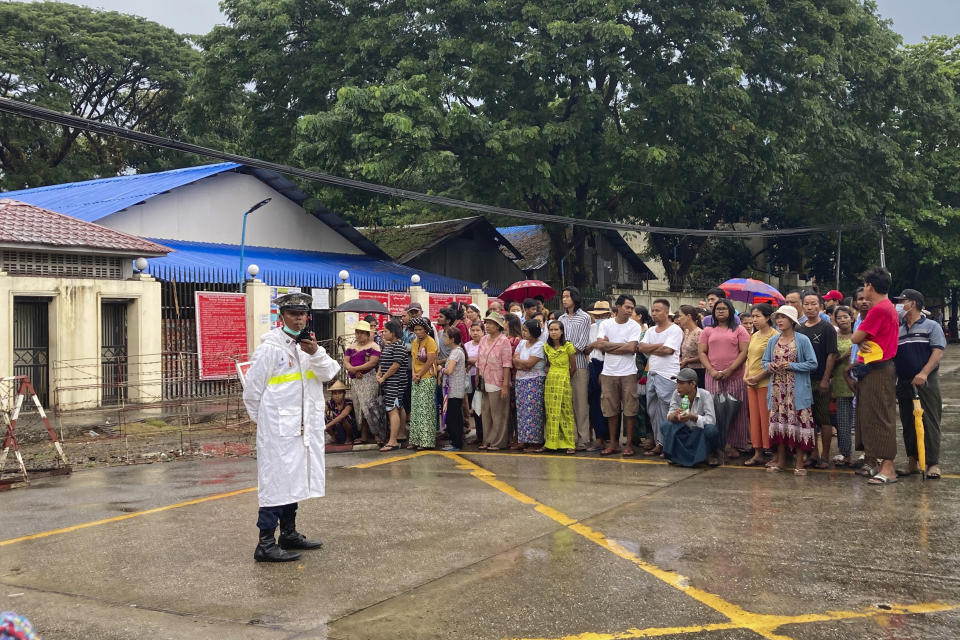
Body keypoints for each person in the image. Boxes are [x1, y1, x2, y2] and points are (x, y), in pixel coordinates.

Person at [242, 292, 339, 562]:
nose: (298, 318)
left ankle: (289, 533)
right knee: (275, 482)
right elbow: (252, 393)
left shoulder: (309, 347)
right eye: (293, 314)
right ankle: (265, 543)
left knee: (294, 480)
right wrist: (265, 425)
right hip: (277, 430)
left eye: (302, 314)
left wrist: (316, 352)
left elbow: (330, 373)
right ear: (281, 316)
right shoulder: (270, 349)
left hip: (302, 428)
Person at [851, 267, 900, 484]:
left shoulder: (879, 309)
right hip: (873, 368)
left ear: (870, 286)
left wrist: (859, 338)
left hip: (878, 369)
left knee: (881, 416)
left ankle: (888, 467)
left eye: (865, 285)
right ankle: (874, 461)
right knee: (869, 416)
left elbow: (855, 337)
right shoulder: (885, 307)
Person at [893, 289, 945, 479]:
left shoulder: (931, 326)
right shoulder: (898, 329)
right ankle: (913, 461)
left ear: (912, 303)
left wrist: (924, 373)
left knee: (929, 420)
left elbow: (937, 351)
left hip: (926, 380)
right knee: (908, 422)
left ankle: (932, 463)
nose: (899, 305)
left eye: (902, 301)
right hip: (904, 381)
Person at [763, 305, 818, 474]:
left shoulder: (802, 340)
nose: (779, 320)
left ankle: (799, 463)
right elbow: (764, 361)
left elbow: (812, 363)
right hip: (778, 390)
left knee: (799, 425)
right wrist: (769, 366)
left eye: (783, 317)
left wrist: (792, 366)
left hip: (797, 391)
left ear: (792, 321)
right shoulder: (773, 340)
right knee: (780, 425)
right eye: (778, 317)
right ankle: (780, 461)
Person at [589, 294, 644, 456]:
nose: (630, 311)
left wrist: (609, 345)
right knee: (611, 410)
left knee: (630, 410)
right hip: (608, 372)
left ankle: (628, 444)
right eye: (627, 307)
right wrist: (623, 346)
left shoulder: (634, 326)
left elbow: (632, 348)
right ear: (618, 307)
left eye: (632, 308)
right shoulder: (606, 324)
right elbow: (600, 345)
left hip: (628, 373)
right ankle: (613, 443)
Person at [698, 298, 750, 456]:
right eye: (718, 309)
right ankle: (717, 444)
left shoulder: (740, 330)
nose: (720, 311)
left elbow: (744, 352)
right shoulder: (707, 330)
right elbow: (702, 352)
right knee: (714, 410)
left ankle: (735, 445)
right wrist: (711, 370)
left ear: (731, 311)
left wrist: (730, 369)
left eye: (724, 308)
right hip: (712, 375)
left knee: (736, 410)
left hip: (735, 375)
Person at [637, 299, 683, 456]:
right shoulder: (650, 331)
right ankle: (659, 443)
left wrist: (652, 348)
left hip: (668, 375)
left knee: (667, 411)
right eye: (653, 310)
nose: (654, 313)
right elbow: (641, 347)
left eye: (657, 310)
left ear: (666, 312)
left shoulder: (675, 330)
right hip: (652, 374)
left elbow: (669, 350)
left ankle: (669, 445)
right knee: (653, 411)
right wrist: (659, 346)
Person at [797, 292, 838, 467]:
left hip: (820, 379)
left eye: (813, 304)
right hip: (803, 380)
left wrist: (825, 379)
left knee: (824, 419)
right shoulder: (799, 328)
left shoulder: (826, 328)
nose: (810, 307)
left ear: (820, 306)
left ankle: (825, 456)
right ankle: (813, 453)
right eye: (806, 304)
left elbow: (832, 354)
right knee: (808, 419)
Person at [660, 368, 721, 467]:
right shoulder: (676, 393)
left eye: (681, 383)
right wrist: (675, 415)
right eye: (677, 383)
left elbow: (711, 420)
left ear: (692, 384)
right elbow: (669, 415)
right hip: (685, 432)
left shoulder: (705, 395)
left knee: (711, 430)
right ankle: (677, 455)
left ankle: (709, 454)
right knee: (666, 425)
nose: (678, 387)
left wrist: (693, 417)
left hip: (699, 432)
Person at [558, 286, 593, 451]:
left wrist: (565, 353)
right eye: (563, 297)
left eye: (567, 296)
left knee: (580, 403)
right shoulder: (562, 318)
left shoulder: (585, 317)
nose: (564, 299)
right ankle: (569, 437)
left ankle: (583, 438)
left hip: (578, 365)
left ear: (574, 298)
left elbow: (582, 343)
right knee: (567, 403)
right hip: (563, 366)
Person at [743, 303, 777, 465]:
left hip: (766, 382)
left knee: (767, 418)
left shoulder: (774, 336)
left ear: (768, 317)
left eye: (758, 316)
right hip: (751, 382)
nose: (754, 320)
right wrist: (746, 375)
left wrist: (758, 377)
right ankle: (758, 451)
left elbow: (774, 363)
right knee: (754, 418)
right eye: (753, 316)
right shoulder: (754, 336)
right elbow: (749, 358)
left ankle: (773, 451)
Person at [343, 320, 386, 445]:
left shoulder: (374, 346)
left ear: (368, 334)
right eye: (358, 333)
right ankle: (364, 435)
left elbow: (372, 363)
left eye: (362, 333)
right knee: (359, 408)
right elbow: (346, 362)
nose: (359, 335)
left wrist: (356, 369)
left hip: (368, 379)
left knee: (370, 406)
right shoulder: (352, 347)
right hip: (356, 381)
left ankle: (378, 434)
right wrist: (352, 370)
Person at [477, 312, 513, 450]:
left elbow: (507, 364)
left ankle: (498, 441)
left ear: (498, 326)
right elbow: (479, 360)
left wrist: (505, 385)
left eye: (491, 323)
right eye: (486, 323)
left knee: (498, 412)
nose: (487, 326)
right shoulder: (484, 339)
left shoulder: (504, 341)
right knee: (486, 411)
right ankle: (487, 439)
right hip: (484, 379)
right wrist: (478, 377)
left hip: (498, 380)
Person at [377, 319, 411, 452]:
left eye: (385, 331)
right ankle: (400, 434)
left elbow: (396, 365)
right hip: (388, 381)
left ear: (393, 332)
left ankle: (393, 441)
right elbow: (383, 362)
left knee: (392, 409)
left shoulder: (399, 346)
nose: (383, 333)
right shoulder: (390, 345)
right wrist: (379, 373)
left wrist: (384, 377)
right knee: (398, 407)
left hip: (395, 382)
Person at [543, 319, 577, 453]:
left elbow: (573, 367)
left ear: (562, 331)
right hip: (551, 381)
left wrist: (565, 379)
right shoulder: (546, 347)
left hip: (564, 381)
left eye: (556, 329)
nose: (553, 332)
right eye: (551, 330)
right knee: (551, 413)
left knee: (566, 412)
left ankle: (569, 443)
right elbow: (548, 365)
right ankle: (551, 443)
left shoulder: (568, 346)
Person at [513, 320, 546, 451]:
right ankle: (524, 439)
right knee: (522, 411)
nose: (524, 332)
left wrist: (520, 362)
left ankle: (535, 441)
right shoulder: (521, 343)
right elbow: (514, 361)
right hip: (521, 380)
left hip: (534, 380)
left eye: (526, 330)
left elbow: (529, 364)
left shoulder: (539, 345)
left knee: (533, 411)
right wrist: (521, 363)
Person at [586, 300, 613, 451]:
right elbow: (589, 348)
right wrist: (596, 345)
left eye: (602, 315)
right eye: (597, 315)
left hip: (608, 364)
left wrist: (597, 345)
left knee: (609, 401)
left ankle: (610, 437)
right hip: (594, 363)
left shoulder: (611, 327)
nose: (599, 317)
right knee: (595, 400)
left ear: (608, 314)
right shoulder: (592, 327)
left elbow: (607, 348)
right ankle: (599, 437)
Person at [408, 317, 438, 450]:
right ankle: (415, 439)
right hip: (416, 377)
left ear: (426, 330)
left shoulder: (430, 342)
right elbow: (414, 359)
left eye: (420, 329)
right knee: (416, 409)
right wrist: (414, 373)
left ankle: (426, 441)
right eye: (416, 330)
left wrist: (420, 374)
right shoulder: (415, 342)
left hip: (427, 377)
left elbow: (430, 361)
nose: (418, 332)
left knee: (425, 409)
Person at [831, 305, 856, 466]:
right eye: (839, 317)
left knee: (861, 421)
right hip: (840, 383)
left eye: (845, 317)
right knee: (843, 421)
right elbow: (830, 360)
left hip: (858, 382)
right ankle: (844, 452)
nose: (842, 320)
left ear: (852, 318)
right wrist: (844, 356)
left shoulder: (858, 336)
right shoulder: (834, 337)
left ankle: (866, 453)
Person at [441, 327, 468, 451]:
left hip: (454, 390)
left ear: (452, 339)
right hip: (452, 390)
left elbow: (449, 370)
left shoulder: (456, 352)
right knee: (452, 416)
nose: (444, 339)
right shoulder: (455, 351)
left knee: (454, 417)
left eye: (446, 337)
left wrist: (440, 369)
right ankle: (454, 442)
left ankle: (457, 443)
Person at [676, 305, 705, 388]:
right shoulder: (686, 332)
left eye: (680, 316)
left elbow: (703, 355)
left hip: (698, 371)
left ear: (688, 316)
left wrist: (688, 361)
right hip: (686, 370)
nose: (678, 319)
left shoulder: (699, 333)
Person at [464, 321, 484, 444]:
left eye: (478, 330)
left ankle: (484, 435)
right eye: (473, 330)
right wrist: (472, 361)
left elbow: (481, 360)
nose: (475, 333)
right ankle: (478, 435)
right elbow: (464, 359)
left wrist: (470, 360)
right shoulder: (466, 345)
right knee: (473, 408)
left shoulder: (485, 344)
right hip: (468, 378)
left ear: (483, 332)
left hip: (480, 378)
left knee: (481, 407)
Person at [324, 380, 355, 444]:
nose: (337, 396)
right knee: (323, 418)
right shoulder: (330, 403)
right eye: (335, 393)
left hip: (350, 429)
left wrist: (327, 426)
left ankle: (348, 438)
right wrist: (324, 414)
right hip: (337, 427)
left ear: (344, 394)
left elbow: (343, 415)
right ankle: (334, 438)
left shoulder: (348, 402)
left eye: (340, 393)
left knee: (344, 418)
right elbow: (322, 410)